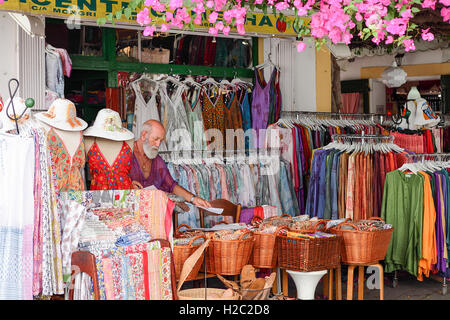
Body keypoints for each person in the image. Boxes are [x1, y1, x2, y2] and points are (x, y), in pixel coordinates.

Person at [130, 119, 212, 209]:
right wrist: (128, 186)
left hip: (153, 215)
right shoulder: (126, 154)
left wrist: (194, 199)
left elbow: (171, 185)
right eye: (155, 139)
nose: (157, 145)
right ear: (144, 135)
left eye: (160, 141)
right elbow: (114, 182)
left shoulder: (157, 160)